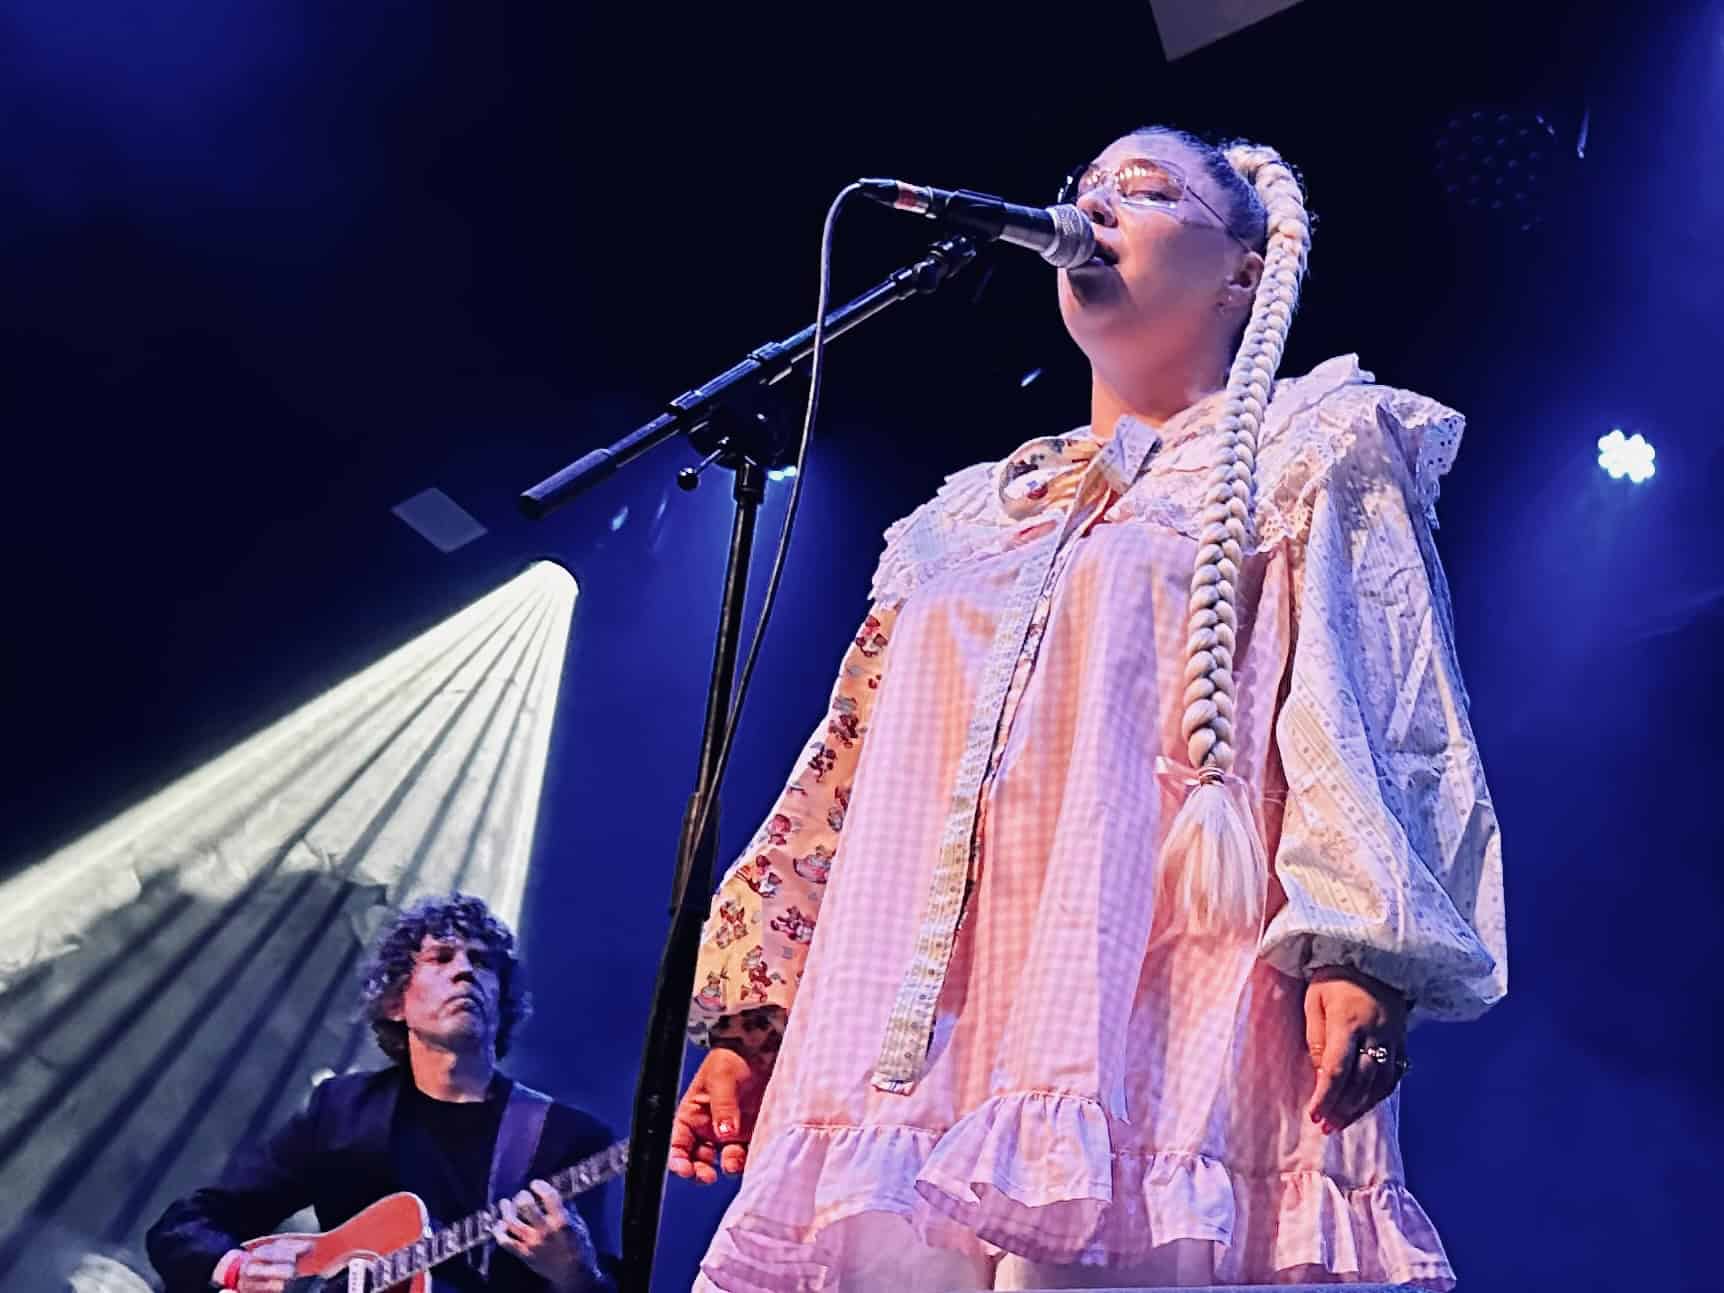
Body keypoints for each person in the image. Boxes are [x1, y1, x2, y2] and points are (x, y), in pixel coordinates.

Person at [669, 126, 1506, 1292]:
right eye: (1086, 189)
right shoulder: (963, 516)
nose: (1098, 205)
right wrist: (753, 1021)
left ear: (1245, 271)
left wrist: (1363, 945)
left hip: (1141, 1004)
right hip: (897, 1044)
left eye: (1145, 190)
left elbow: (1376, 703)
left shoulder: (1312, 446)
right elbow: (845, 771)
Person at [146, 894, 620, 1293]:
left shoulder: (566, 1139)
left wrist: (576, 1275)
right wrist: (236, 1269)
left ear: (501, 1001)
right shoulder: (340, 1111)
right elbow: (187, 1225)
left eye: (481, 963)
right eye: (441, 957)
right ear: (396, 1002)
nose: (464, 972)